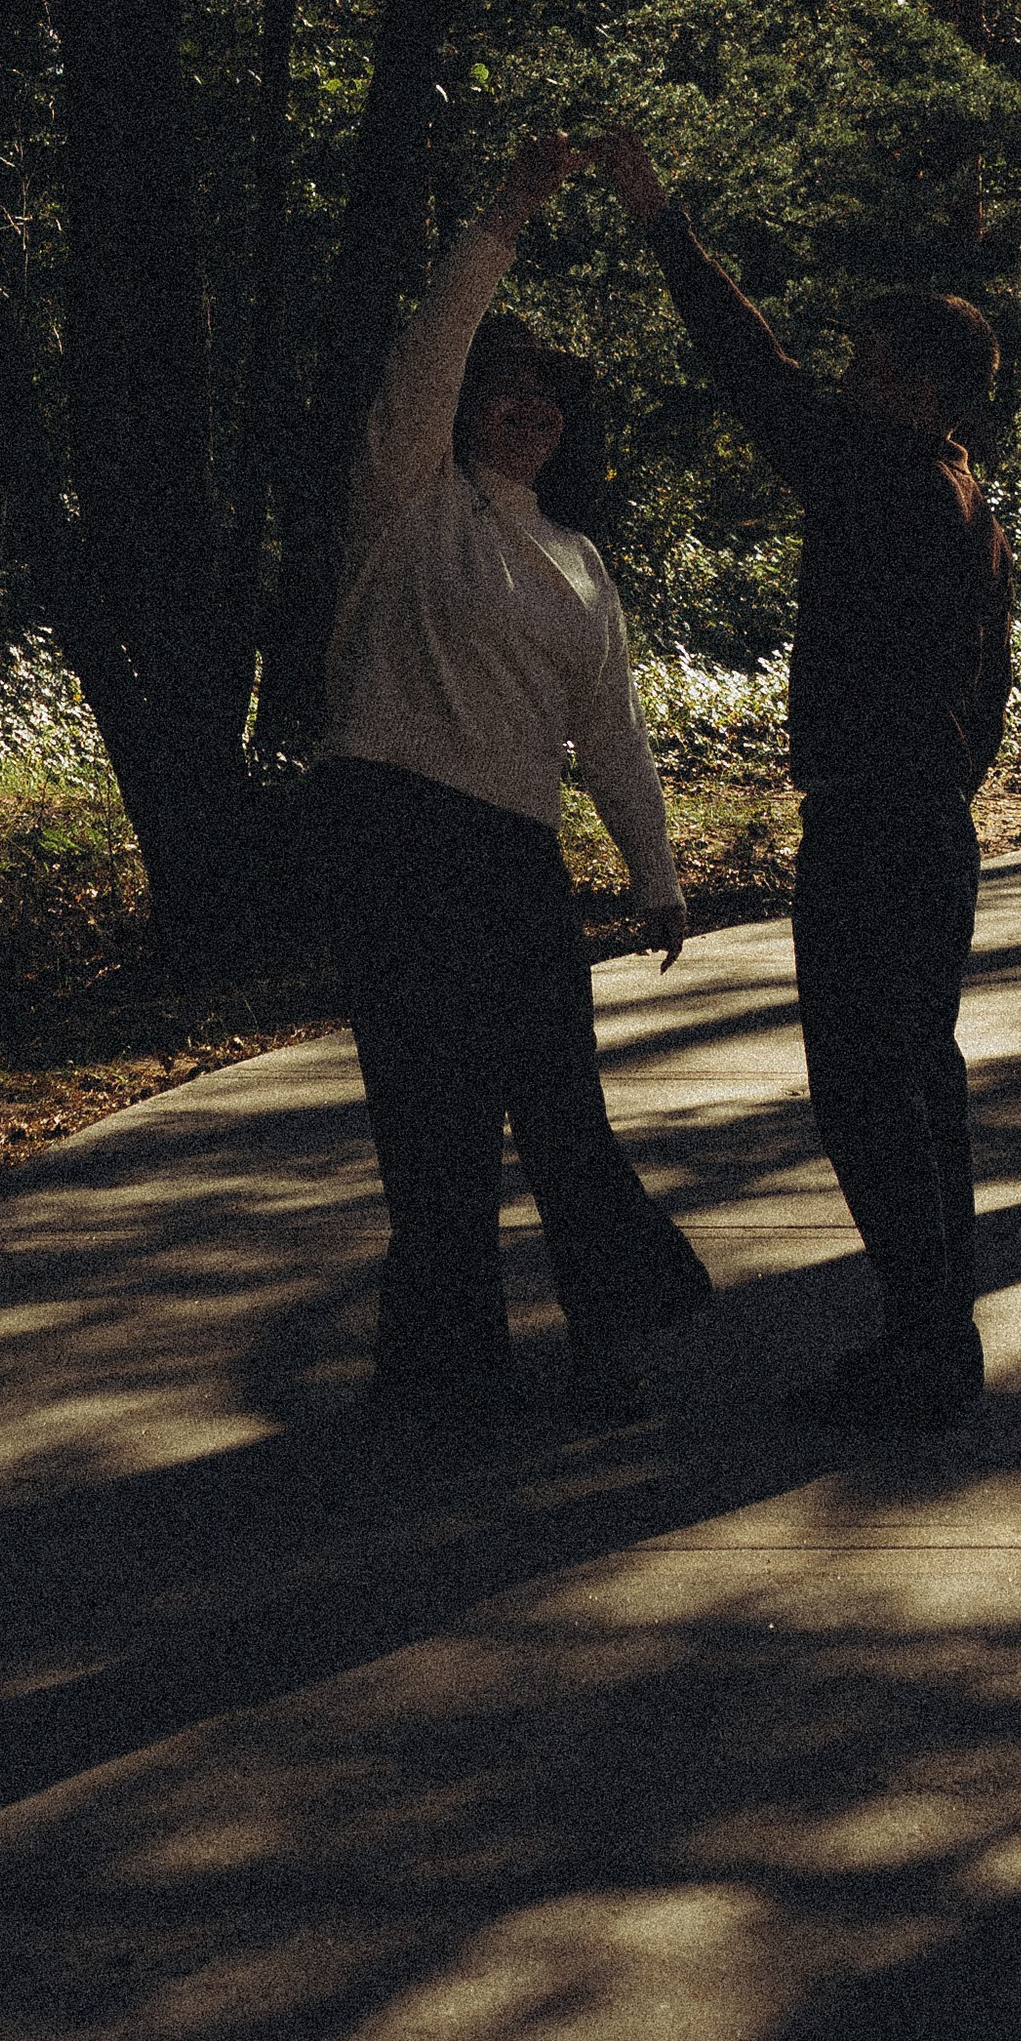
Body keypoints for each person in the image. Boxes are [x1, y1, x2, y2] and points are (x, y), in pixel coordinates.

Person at [591, 133, 1013, 1432]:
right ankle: (937, 1340)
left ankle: (923, 1354)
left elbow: (747, 370)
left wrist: (660, 220)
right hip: (931, 825)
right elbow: (991, 691)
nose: (849, 378)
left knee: (868, 1088)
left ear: (931, 389)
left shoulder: (884, 470)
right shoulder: (962, 495)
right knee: (918, 1081)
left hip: (878, 828)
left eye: (874, 364)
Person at [315, 132, 707, 1425]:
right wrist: (508, 209)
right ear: (469, 404)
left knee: (560, 1111)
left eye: (552, 400)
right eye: (508, 391)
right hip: (391, 834)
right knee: (428, 1121)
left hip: (513, 854)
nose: (530, 411)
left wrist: (655, 877)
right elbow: (430, 350)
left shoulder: (582, 562)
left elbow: (613, 731)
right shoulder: (409, 499)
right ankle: (441, 1366)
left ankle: (608, 1343)